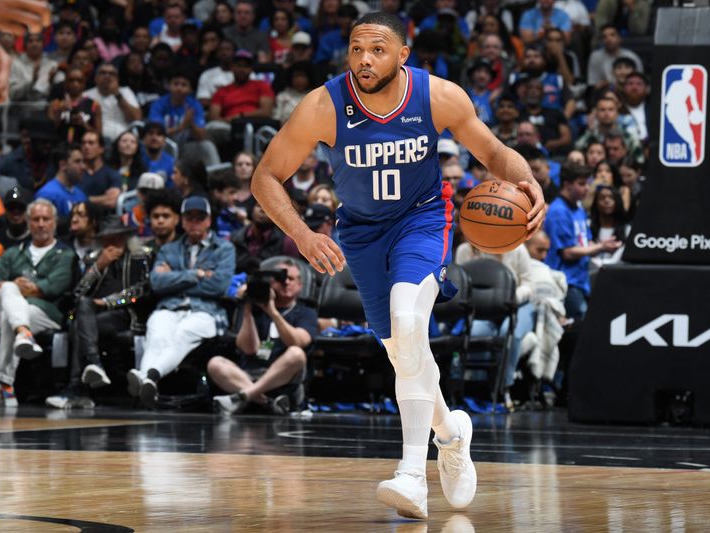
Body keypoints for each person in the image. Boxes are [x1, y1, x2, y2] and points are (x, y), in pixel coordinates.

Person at [250, 12, 545, 520]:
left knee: (410, 323)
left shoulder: (438, 96)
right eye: (357, 48)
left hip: (422, 221)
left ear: (403, 54)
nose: (365, 58)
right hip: (361, 235)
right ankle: (451, 435)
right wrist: (302, 234)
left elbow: (493, 152)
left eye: (378, 49)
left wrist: (528, 181)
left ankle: (412, 475)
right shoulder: (324, 106)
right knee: (401, 351)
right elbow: (266, 177)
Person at [127, 196, 235, 407]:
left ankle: (148, 376)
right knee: (157, 330)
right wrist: (197, 274)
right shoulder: (170, 249)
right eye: (190, 218)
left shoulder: (224, 249)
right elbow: (157, 283)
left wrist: (175, 277)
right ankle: (149, 379)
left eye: (199, 218)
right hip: (170, 306)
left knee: (183, 333)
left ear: (208, 221)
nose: (194, 222)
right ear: (182, 221)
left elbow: (219, 286)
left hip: (206, 311)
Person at [46, 216, 152, 409]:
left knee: (80, 324)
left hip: (124, 314)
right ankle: (93, 365)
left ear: (125, 238)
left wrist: (107, 302)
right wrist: (98, 267)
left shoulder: (140, 257)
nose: (113, 243)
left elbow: (141, 290)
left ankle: (77, 387)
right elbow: (77, 293)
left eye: (117, 238)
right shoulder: (92, 259)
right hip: (91, 314)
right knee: (83, 309)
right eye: (108, 239)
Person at [0, 199, 76, 406]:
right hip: (11, 308)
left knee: (13, 316)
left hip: (46, 314)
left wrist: (22, 289)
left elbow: (54, 287)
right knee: (8, 288)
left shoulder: (65, 254)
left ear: (54, 222)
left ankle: (4, 384)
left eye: (46, 219)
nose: (41, 224)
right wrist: (10, 287)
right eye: (36, 219)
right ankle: (24, 333)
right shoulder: (13, 252)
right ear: (28, 222)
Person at [210, 258, 317, 415]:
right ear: (271, 283)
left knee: (296, 354)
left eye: (291, 279)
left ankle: (244, 396)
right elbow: (248, 349)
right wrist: (247, 309)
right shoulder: (254, 309)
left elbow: (297, 342)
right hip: (248, 376)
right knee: (215, 363)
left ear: (300, 285)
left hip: (283, 379)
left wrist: (272, 312)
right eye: (280, 279)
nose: (286, 282)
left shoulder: (306, 312)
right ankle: (266, 402)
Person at [544, 162, 620, 320]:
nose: (587, 188)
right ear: (567, 185)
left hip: (580, 281)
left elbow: (586, 244)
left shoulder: (578, 210)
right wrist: (601, 247)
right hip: (565, 282)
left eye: (588, 184)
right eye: (581, 184)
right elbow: (567, 252)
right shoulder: (559, 211)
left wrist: (605, 245)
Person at [35, 145, 88, 219]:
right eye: (77, 161)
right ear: (63, 165)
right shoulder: (47, 194)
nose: (83, 166)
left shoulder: (81, 195)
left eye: (83, 161)